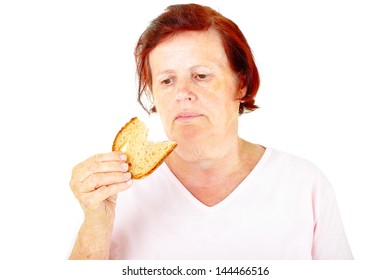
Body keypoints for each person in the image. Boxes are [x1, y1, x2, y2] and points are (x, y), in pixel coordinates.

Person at [69, 3, 353, 260]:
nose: (183, 94)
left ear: (241, 84)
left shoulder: (303, 185)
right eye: (167, 80)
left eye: (201, 76)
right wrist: (96, 222)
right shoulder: (117, 192)